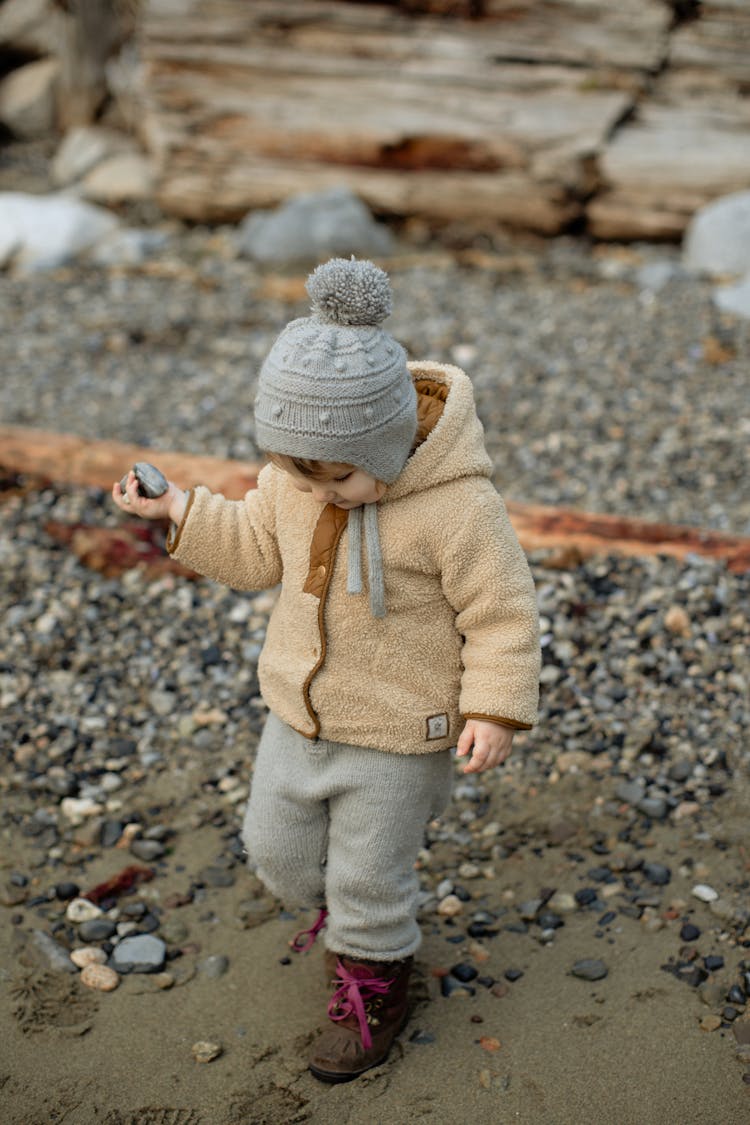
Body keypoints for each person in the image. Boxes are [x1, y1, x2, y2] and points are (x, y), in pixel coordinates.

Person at [113, 257, 540, 1083]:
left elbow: (503, 613)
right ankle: (345, 919)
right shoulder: (299, 480)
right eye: (302, 473)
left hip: (400, 729)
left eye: (340, 476)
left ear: (382, 443)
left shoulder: (459, 510)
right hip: (297, 713)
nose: (323, 493)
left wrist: (494, 708)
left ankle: (378, 975)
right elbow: (249, 549)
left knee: (368, 873)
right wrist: (179, 510)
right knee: (274, 851)